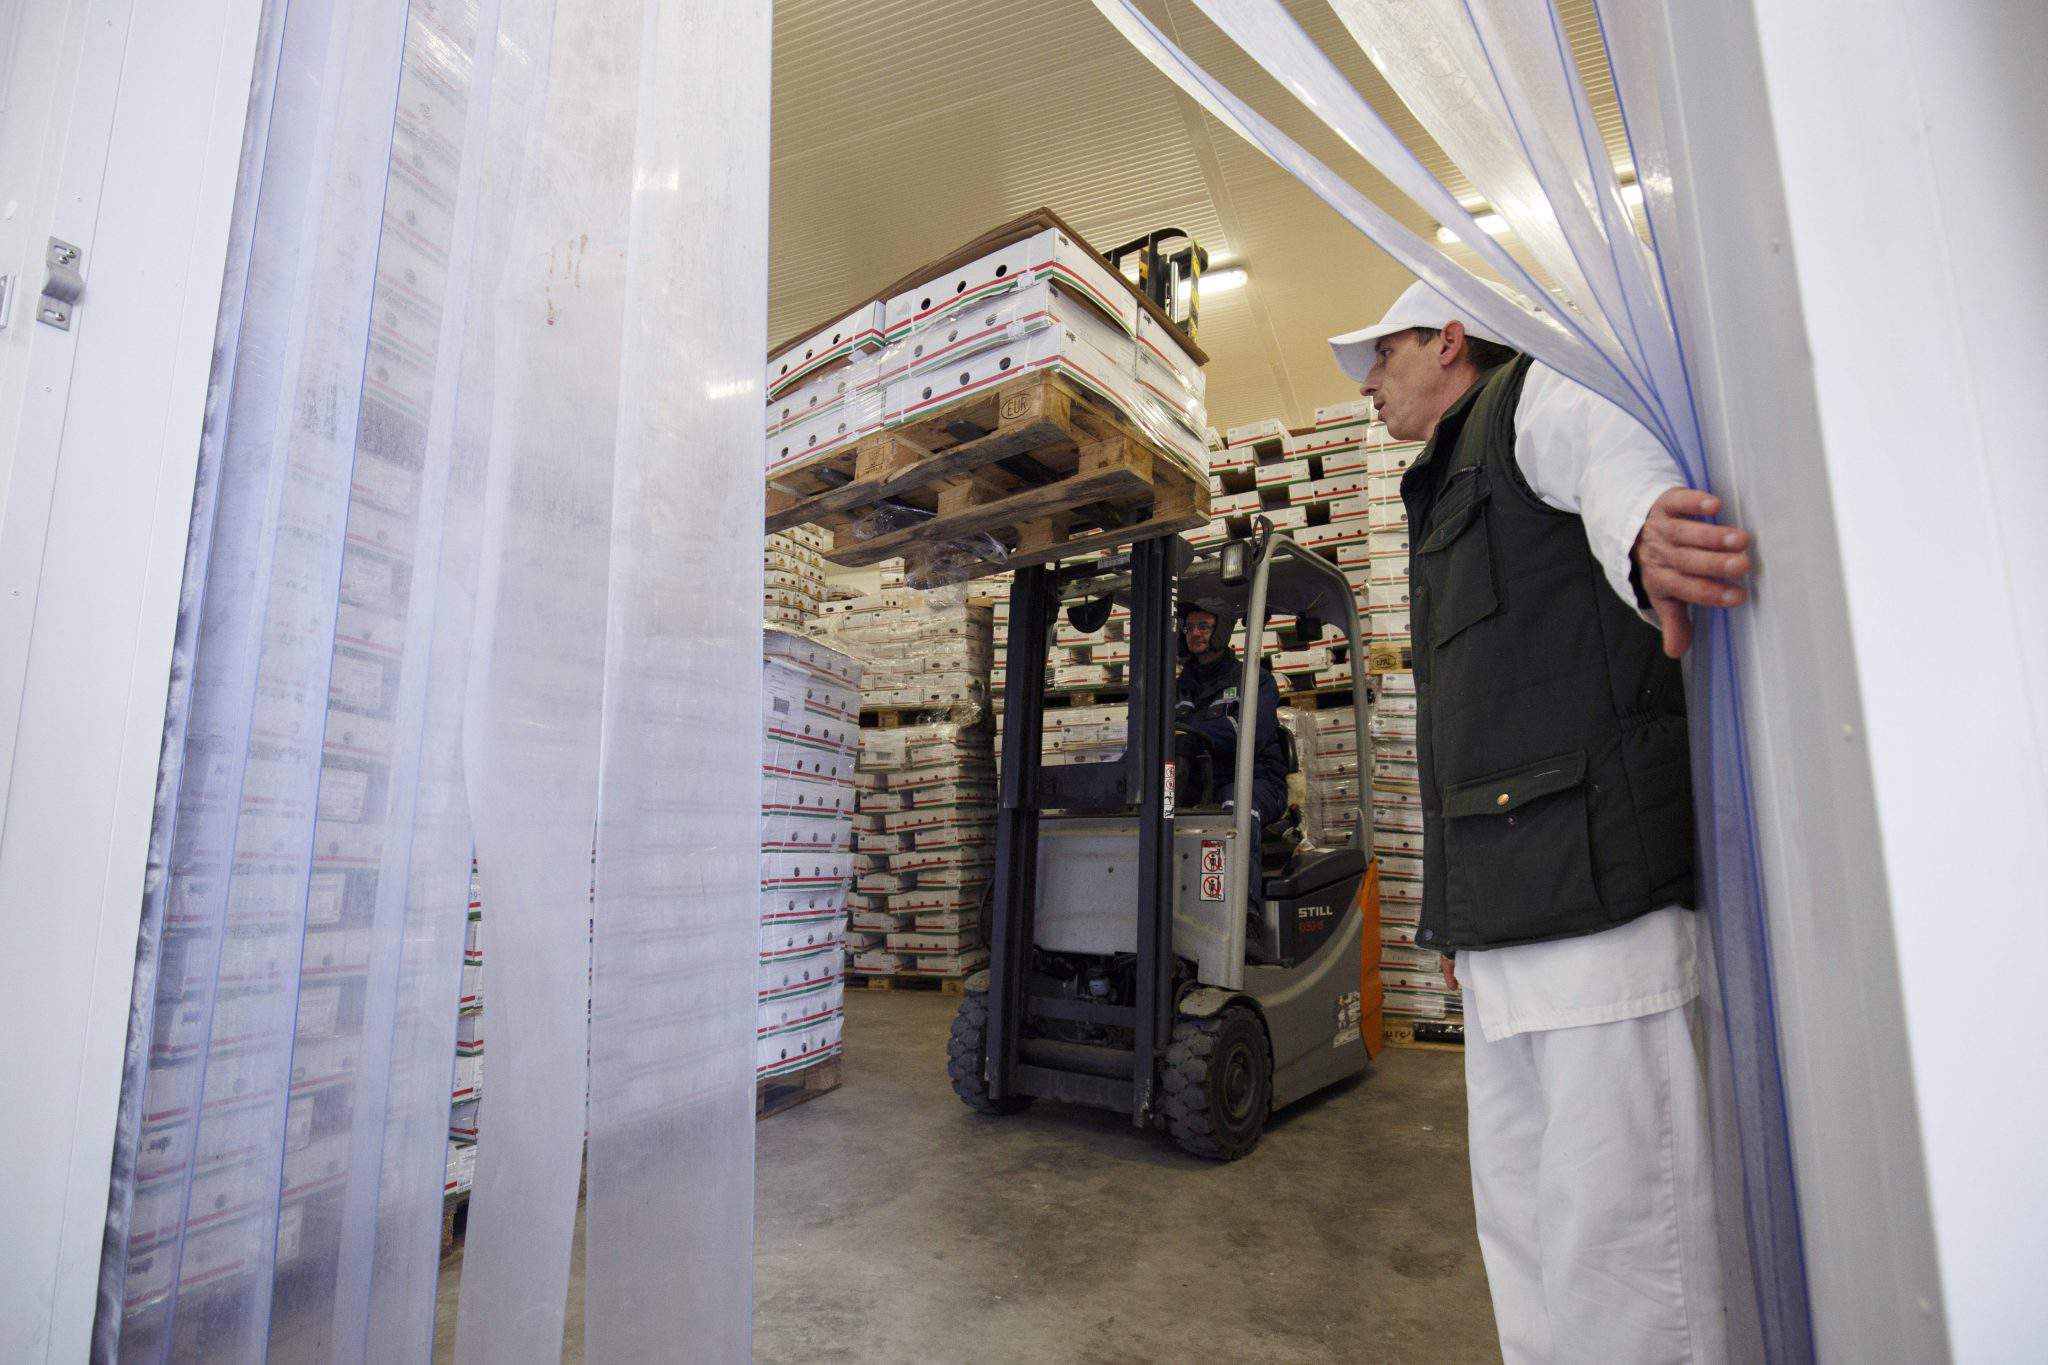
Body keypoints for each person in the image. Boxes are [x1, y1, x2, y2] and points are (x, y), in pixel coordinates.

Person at [1330, 280, 1754, 1364]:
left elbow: (1608, 464)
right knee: (1523, 1239)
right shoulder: (1443, 486)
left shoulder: (1536, 398)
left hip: (1597, 912)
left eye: (1382, 353)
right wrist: (1460, 918)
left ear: (1450, 340)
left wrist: (1647, 532)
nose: (1369, 381)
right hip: (1509, 926)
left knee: (1628, 1254)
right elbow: (1472, 725)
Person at [1175, 603, 1288, 827]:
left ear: (1222, 631)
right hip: (1195, 783)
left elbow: (1249, 734)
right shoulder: (1178, 687)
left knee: (1237, 812)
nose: (1195, 633)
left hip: (1252, 779)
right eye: (1189, 627)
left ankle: (1244, 850)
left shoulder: (1255, 680)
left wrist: (1190, 736)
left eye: (1203, 627)